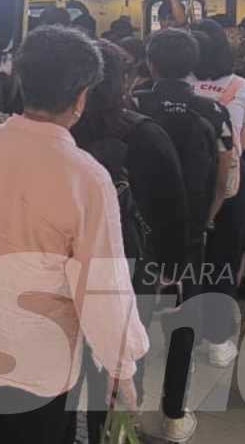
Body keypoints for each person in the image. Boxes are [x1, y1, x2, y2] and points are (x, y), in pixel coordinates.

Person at [0, 25, 148, 444]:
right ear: (82, 96)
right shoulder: (84, 175)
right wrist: (122, 367)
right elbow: (101, 282)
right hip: (36, 355)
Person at [71, 39, 189, 444]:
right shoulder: (146, 135)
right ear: (121, 83)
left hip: (67, 272)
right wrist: (172, 271)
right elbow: (174, 212)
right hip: (128, 274)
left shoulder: (61, 135)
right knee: (119, 374)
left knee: (66, 369)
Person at [133, 28, 233, 442]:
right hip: (190, 233)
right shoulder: (213, 111)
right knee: (183, 322)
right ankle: (173, 415)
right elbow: (224, 175)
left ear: (150, 63)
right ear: (193, 65)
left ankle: (126, 405)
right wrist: (206, 219)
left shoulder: (132, 105)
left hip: (138, 234)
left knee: (132, 322)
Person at [189, 19, 245, 367]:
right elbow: (241, 143)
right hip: (229, 181)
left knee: (186, 256)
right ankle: (218, 341)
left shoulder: (179, 84)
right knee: (224, 258)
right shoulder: (241, 86)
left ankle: (181, 332)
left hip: (185, 182)